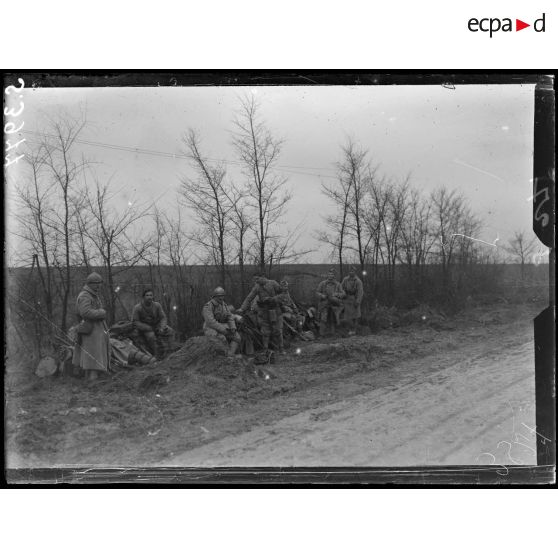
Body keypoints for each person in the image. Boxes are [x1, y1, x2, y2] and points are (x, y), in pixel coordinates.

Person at [72, 272, 111, 380]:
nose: (98, 285)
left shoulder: (92, 294)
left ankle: (95, 375)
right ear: (89, 283)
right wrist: (101, 313)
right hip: (91, 329)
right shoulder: (85, 295)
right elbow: (85, 312)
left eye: (99, 283)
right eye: (96, 283)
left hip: (95, 328)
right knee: (92, 353)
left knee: (96, 352)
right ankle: (92, 378)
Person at [238, 273, 285, 354]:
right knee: (265, 333)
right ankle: (265, 350)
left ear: (263, 277)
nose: (256, 281)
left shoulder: (273, 283)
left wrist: (273, 299)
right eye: (255, 279)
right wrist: (242, 308)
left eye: (257, 279)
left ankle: (281, 349)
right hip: (264, 312)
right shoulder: (257, 287)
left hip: (276, 311)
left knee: (278, 331)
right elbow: (249, 298)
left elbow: (283, 293)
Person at [132, 289, 174, 359]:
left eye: (151, 295)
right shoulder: (137, 308)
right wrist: (147, 328)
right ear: (143, 297)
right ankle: (157, 355)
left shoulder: (157, 305)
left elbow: (163, 317)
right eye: (147, 295)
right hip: (146, 328)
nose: (149, 297)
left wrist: (162, 327)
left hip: (157, 325)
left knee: (170, 331)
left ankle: (170, 351)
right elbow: (135, 322)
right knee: (151, 337)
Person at [202, 287, 241, 357]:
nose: (221, 298)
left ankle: (230, 354)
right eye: (219, 296)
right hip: (210, 328)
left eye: (222, 296)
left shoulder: (224, 305)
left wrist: (232, 327)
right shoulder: (208, 306)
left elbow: (230, 317)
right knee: (222, 338)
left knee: (237, 337)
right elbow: (210, 322)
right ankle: (223, 357)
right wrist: (223, 330)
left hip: (222, 326)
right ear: (214, 296)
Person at [316, 268, 345, 336]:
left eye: (332, 274)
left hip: (334, 304)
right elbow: (317, 292)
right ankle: (322, 334)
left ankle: (333, 333)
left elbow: (343, 293)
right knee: (323, 318)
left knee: (334, 318)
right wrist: (322, 295)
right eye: (329, 274)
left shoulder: (338, 284)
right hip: (324, 303)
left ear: (334, 276)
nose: (330, 276)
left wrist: (337, 294)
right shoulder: (322, 283)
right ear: (327, 275)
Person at [341, 265, 364, 335]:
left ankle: (354, 330)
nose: (351, 272)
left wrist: (358, 301)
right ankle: (350, 330)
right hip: (347, 299)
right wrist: (343, 293)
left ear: (355, 272)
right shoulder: (345, 279)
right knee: (348, 316)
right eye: (350, 271)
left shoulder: (358, 281)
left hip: (354, 299)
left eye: (352, 271)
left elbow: (360, 292)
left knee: (355, 316)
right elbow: (340, 288)